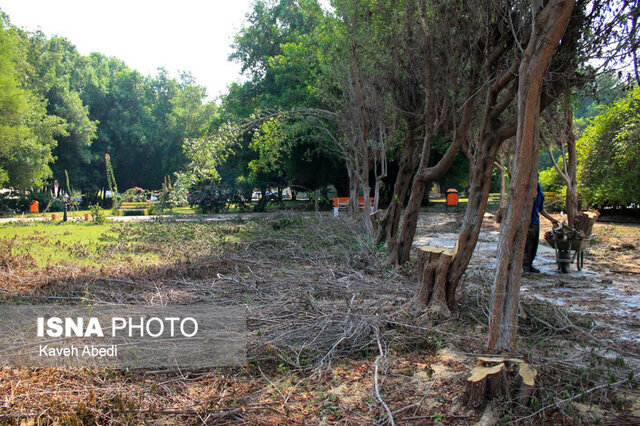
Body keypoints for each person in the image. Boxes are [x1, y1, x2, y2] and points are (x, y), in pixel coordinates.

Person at [523, 181, 559, 273]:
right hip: (525, 222)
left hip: (535, 222)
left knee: (534, 244)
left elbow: (541, 209)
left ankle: (530, 265)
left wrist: (551, 219)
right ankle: (524, 266)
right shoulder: (524, 190)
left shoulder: (540, 192)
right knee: (527, 245)